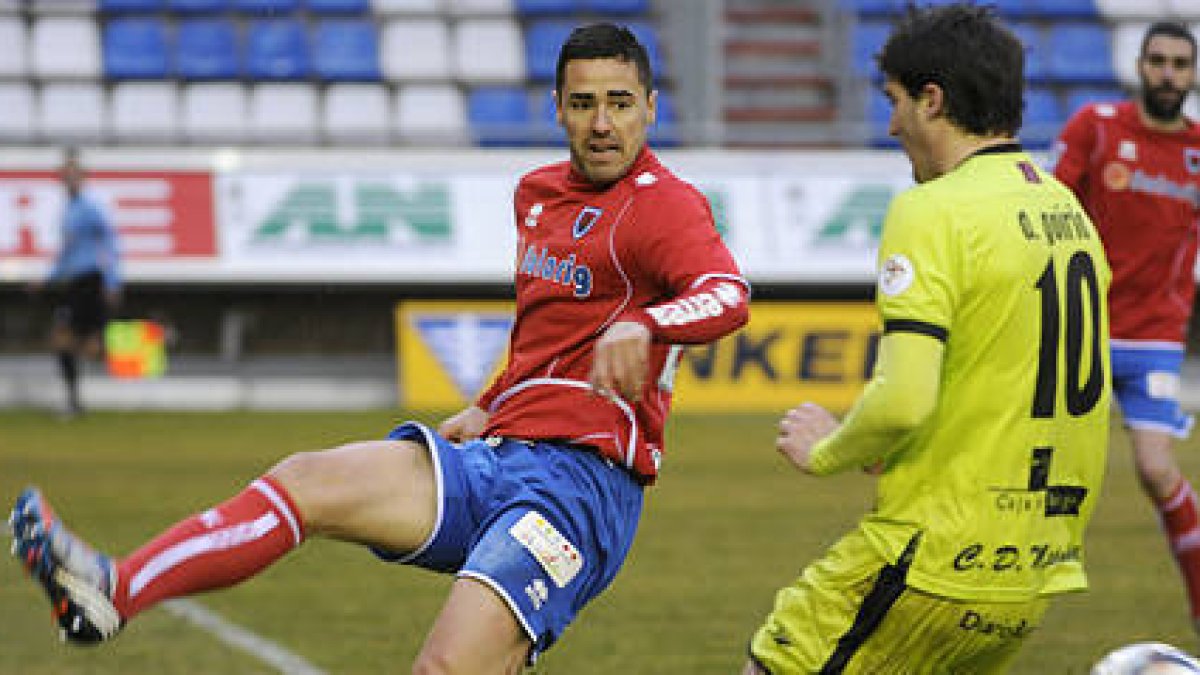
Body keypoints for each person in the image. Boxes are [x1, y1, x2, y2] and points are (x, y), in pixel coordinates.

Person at [9, 22, 750, 673]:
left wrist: (648, 324)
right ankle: (116, 590)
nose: (602, 123)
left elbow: (727, 292)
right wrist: (489, 402)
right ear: (558, 107)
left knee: (445, 667)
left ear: (651, 107)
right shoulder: (537, 193)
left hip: (578, 490)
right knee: (306, 481)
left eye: (620, 102)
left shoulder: (664, 205)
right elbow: (544, 331)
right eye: (583, 103)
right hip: (499, 456)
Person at [743, 5, 1111, 673]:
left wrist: (827, 449)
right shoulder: (1069, 212)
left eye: (894, 101)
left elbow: (903, 398)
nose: (890, 125)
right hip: (1032, 573)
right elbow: (998, 378)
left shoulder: (932, 210)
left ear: (932, 100)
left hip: (930, 557)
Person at [1052, 21, 1200, 635]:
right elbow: (1052, 207)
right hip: (1080, 328)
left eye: (1180, 64)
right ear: (1139, 66)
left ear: (1192, 74)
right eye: (1158, 61)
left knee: (1157, 471)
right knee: (1043, 470)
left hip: (1156, 338)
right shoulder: (1097, 126)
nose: (1168, 73)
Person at [29, 147, 121, 418]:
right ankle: (74, 401)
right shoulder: (68, 210)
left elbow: (110, 243)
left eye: (74, 174)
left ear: (82, 177)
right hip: (74, 283)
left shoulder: (90, 208)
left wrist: (112, 281)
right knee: (63, 339)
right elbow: (66, 254)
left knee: (79, 343)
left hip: (90, 281)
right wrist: (47, 279)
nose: (69, 179)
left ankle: (76, 399)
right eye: (65, 174)